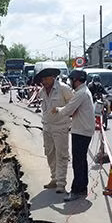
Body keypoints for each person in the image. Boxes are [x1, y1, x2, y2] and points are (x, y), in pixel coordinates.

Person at [58, 69, 94, 201]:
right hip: (83, 130)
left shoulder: (81, 94)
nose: (71, 83)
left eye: (72, 80)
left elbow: (68, 110)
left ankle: (77, 190)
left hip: (81, 132)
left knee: (78, 162)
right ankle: (82, 188)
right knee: (81, 161)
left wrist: (57, 110)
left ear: (77, 80)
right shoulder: (83, 92)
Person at [37, 66, 74, 193]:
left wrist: (63, 113)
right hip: (47, 127)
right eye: (42, 80)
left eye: (46, 79)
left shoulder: (63, 89)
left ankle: (61, 182)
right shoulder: (42, 92)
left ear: (52, 78)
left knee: (61, 155)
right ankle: (54, 178)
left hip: (60, 127)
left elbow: (73, 104)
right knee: (50, 154)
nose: (44, 82)